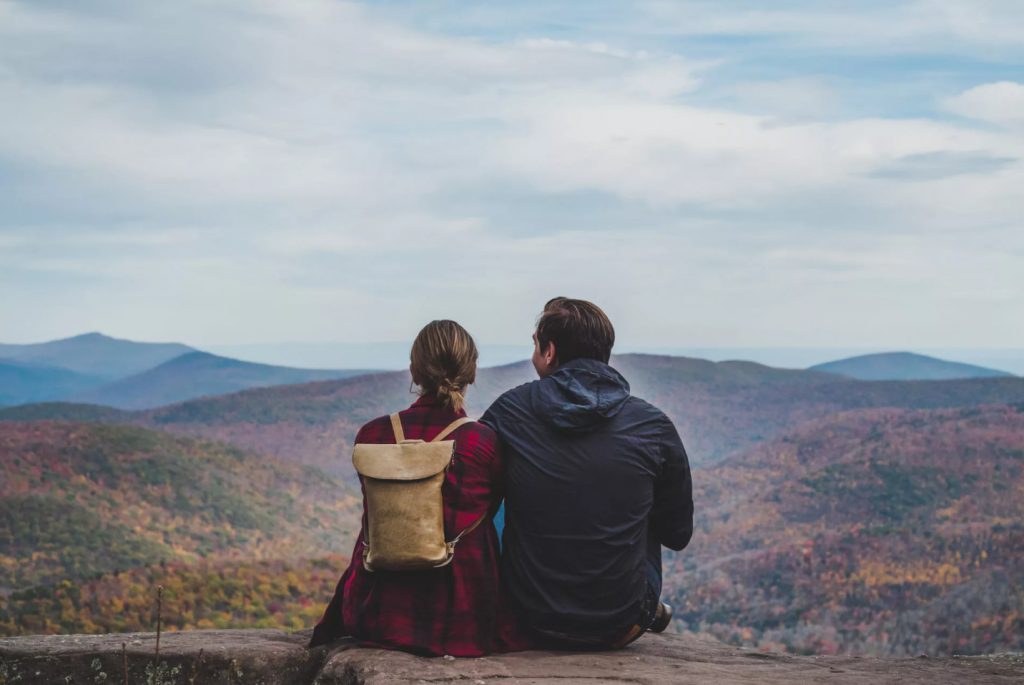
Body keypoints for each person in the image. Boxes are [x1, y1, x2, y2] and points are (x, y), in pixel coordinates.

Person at [480, 297, 693, 649]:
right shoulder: (652, 425)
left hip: (527, 615)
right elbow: (677, 533)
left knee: (499, 483)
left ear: (549, 352)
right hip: (621, 622)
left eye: (535, 344)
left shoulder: (509, 412)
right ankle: (638, 604)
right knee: (640, 496)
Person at [310, 320, 524, 656]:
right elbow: (492, 510)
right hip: (462, 616)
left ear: (413, 371)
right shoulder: (483, 443)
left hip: (378, 610)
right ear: (472, 373)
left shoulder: (372, 436)